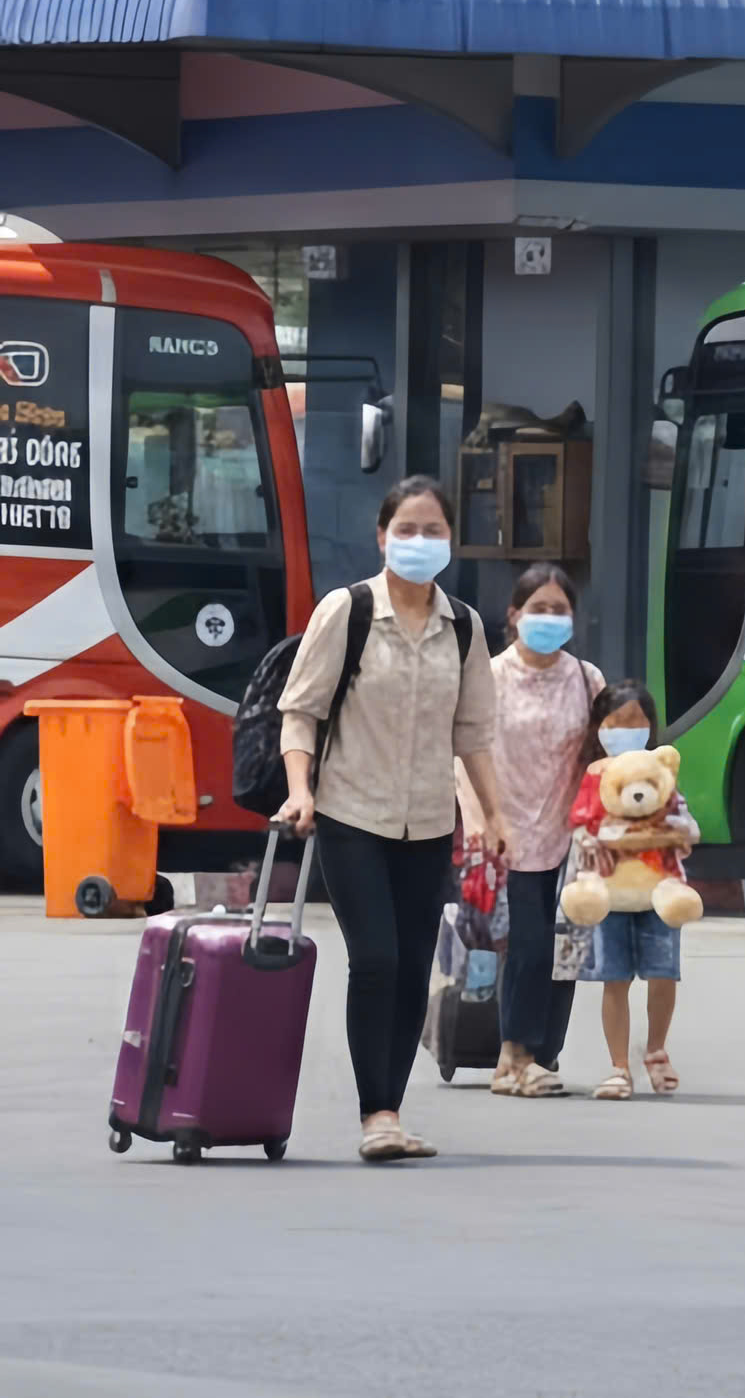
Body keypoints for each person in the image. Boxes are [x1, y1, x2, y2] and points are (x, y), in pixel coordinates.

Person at [278, 475, 508, 1163]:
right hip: (350, 813)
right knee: (376, 958)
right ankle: (373, 1111)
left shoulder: (463, 627)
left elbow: (473, 735)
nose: (419, 541)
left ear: (451, 540)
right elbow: (301, 711)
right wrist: (300, 791)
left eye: (433, 530)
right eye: (406, 529)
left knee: (411, 970)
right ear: (381, 537)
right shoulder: (346, 612)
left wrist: (494, 814)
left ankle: (392, 1112)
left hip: (429, 823)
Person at [474, 562, 603, 1099]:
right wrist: (482, 822)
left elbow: (604, 751)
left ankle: (543, 1054)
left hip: (572, 837)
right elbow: (468, 754)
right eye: (538, 608)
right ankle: (513, 1056)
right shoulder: (489, 677)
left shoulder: (587, 679)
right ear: (514, 615)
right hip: (510, 832)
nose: (549, 618)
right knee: (527, 946)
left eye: (559, 609)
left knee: (565, 947)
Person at [572, 682, 698, 1101]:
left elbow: (686, 823)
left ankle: (656, 1050)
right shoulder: (594, 777)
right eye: (617, 722)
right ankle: (618, 1068)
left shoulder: (659, 773)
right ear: (600, 726)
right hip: (609, 894)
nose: (626, 730)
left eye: (636, 721)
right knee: (615, 979)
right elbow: (579, 826)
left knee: (664, 973)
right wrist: (590, 844)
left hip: (660, 889)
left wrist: (677, 832)